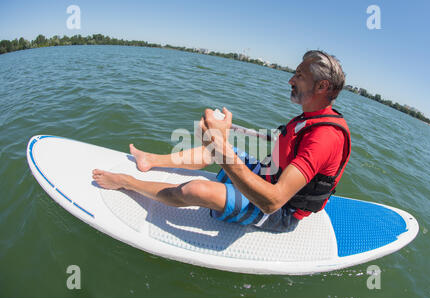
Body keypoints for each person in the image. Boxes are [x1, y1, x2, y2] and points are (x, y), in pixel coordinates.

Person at [92, 50, 351, 232]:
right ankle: (150, 160)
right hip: (267, 174)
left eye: (299, 75)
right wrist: (217, 144)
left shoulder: (325, 137)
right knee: (212, 151)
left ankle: (127, 182)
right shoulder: (311, 118)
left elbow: (272, 201)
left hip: (281, 212)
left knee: (194, 190)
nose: (290, 80)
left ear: (322, 87)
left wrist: (220, 143)